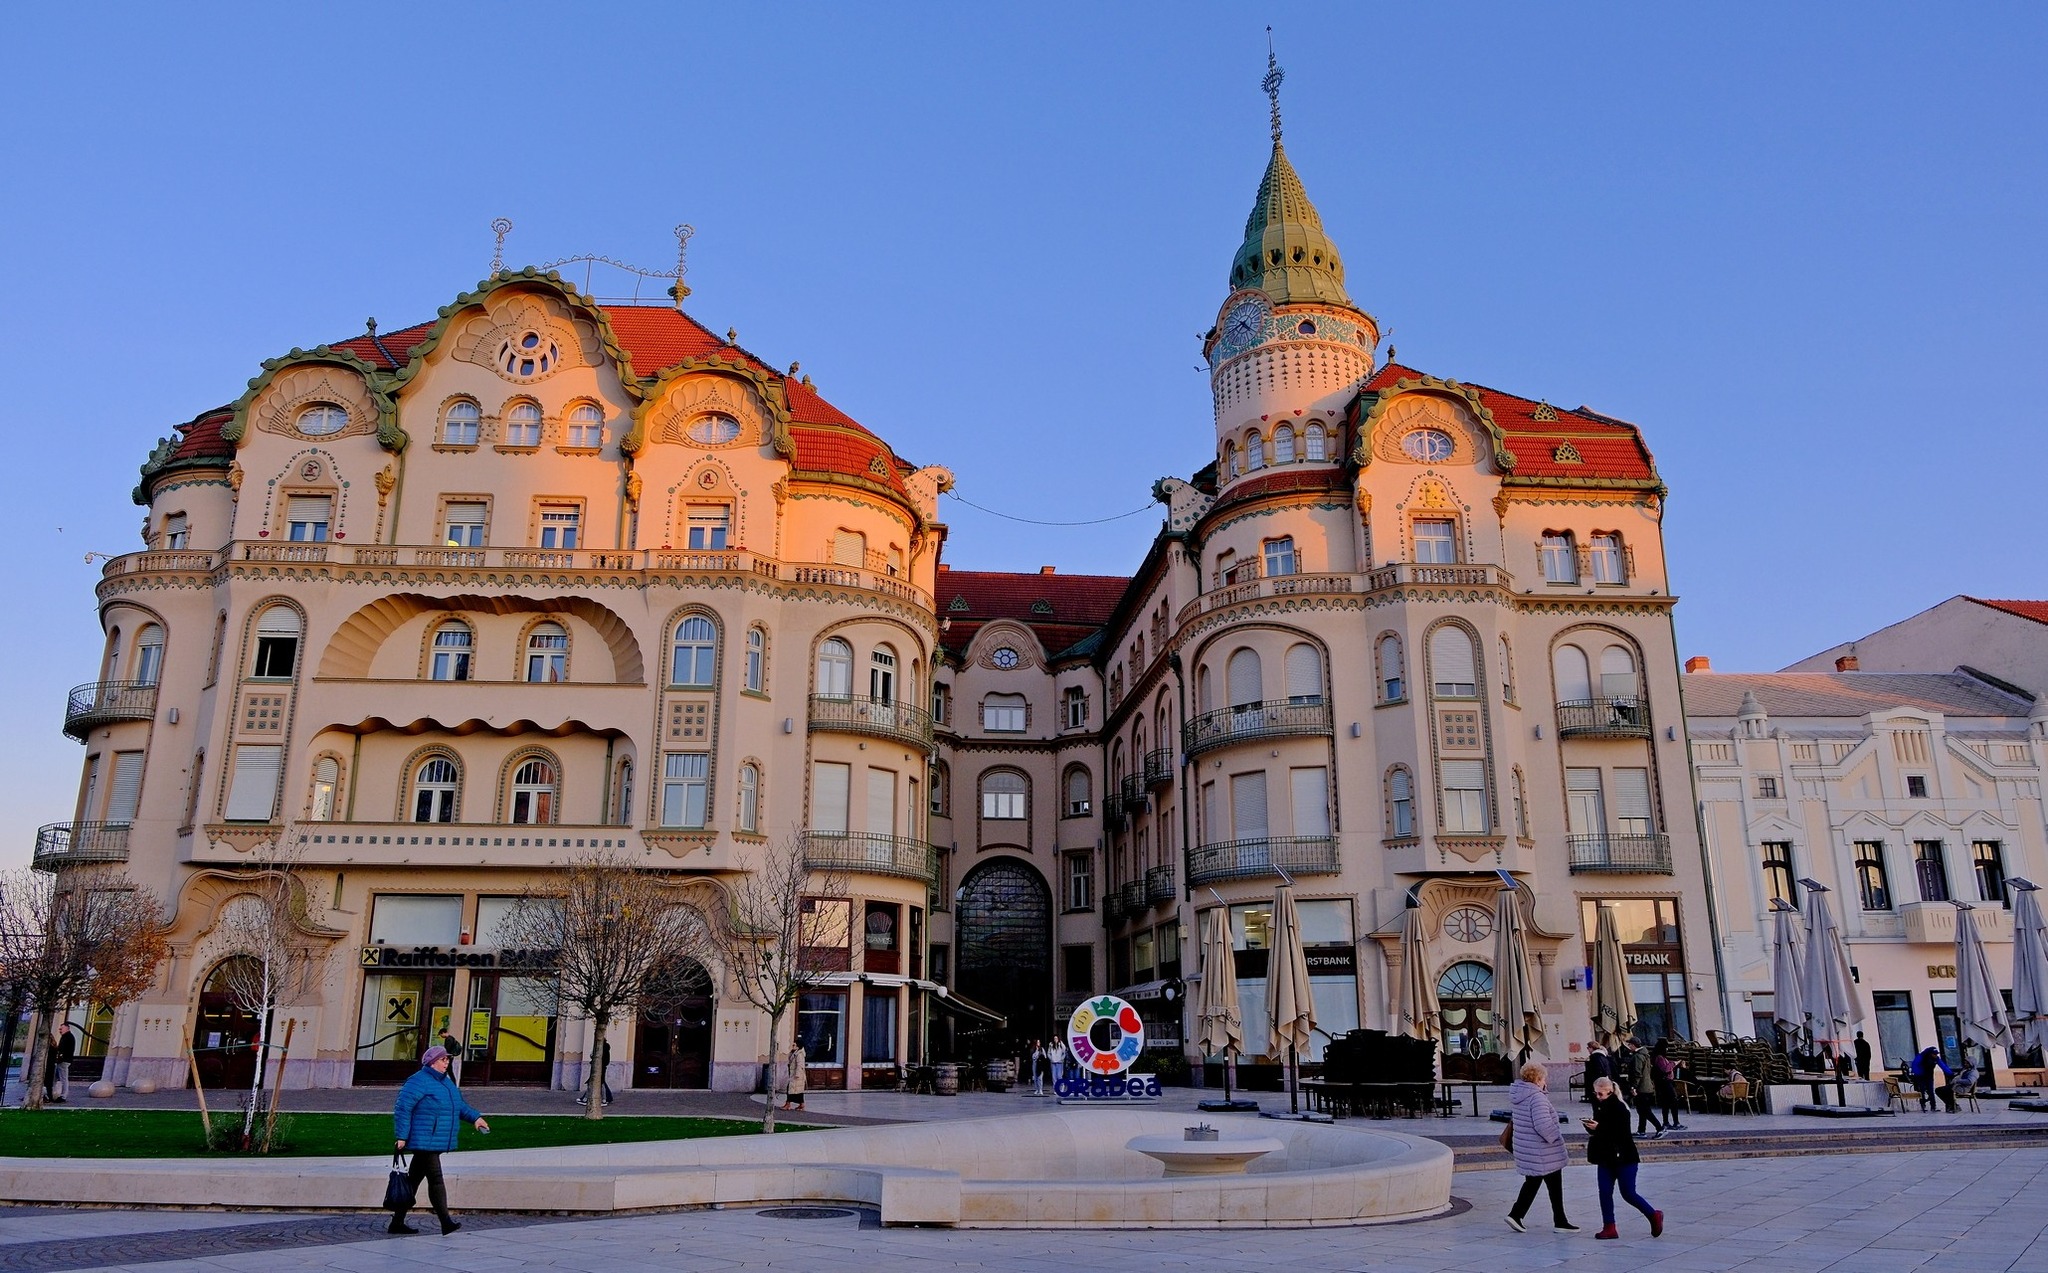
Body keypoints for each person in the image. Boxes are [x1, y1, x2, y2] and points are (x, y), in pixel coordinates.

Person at [390, 1045, 488, 1236]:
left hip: (433, 1139)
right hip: (424, 1139)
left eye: (448, 1059)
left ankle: (397, 1222)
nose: (447, 1062)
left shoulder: (446, 1083)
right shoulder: (418, 1081)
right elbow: (403, 1108)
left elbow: (458, 1106)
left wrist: (476, 1118)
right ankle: (446, 1222)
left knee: (413, 1181)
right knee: (436, 1179)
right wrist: (401, 1136)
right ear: (432, 1062)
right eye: (443, 1059)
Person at [1583, 1076, 1664, 1240]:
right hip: (1605, 1157)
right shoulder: (1600, 1106)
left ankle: (1653, 1214)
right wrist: (1591, 1127)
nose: (1598, 1096)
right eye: (1596, 1093)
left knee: (1628, 1193)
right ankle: (1609, 1226)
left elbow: (1621, 1134)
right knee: (1604, 1192)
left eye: (1601, 1094)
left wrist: (1599, 1127)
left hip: (1624, 1157)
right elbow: (1600, 1132)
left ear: (1610, 1091)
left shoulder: (1620, 1108)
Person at [1504, 1062, 1578, 1233]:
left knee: (1537, 1182)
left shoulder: (1520, 1094)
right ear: (1538, 1079)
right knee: (1549, 1185)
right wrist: (1556, 1136)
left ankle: (1522, 1215)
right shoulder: (1537, 1097)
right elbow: (1543, 1125)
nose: (1546, 1081)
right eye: (1544, 1078)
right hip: (1544, 1150)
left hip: (1528, 1147)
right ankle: (1521, 1215)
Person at [1621, 1040, 1663, 1138]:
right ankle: (1641, 1130)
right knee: (1642, 1110)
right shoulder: (1645, 1055)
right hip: (1646, 1086)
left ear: (1633, 1045)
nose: (1629, 1047)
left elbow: (1637, 1073)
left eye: (1629, 1045)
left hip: (1641, 1088)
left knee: (1645, 1110)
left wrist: (1633, 1087)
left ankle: (1659, 1128)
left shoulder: (1637, 1057)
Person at [1651, 1040, 1685, 1131]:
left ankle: (1666, 1122)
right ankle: (1675, 1122)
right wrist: (1674, 1063)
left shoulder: (1660, 1057)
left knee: (1665, 1103)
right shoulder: (1659, 1058)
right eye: (1666, 1047)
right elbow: (1665, 1069)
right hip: (1665, 1083)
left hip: (1663, 1083)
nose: (1667, 1049)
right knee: (1673, 1101)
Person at [1911, 1046, 1957, 1113]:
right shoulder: (1921, 1057)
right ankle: (1923, 1105)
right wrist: (1918, 1074)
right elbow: (1915, 1065)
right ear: (1930, 1053)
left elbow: (1943, 1066)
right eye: (1934, 1054)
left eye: (1936, 1054)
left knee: (1931, 1091)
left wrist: (1950, 1073)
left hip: (1929, 1076)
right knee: (1922, 1091)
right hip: (1920, 1076)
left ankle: (1933, 1106)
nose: (1936, 1055)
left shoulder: (1936, 1059)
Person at [576, 1037, 613, 1106]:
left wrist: (594, 1058)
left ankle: (586, 1099)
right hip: (600, 1067)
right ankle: (605, 1099)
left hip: (599, 1067)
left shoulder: (601, 1048)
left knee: (593, 1082)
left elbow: (598, 1058)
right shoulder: (604, 1048)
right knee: (600, 1083)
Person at [50, 1023, 77, 1103]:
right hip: (62, 1061)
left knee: (63, 1079)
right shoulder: (66, 1037)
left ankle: (63, 1096)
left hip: (64, 1061)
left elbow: (63, 1050)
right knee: (55, 1078)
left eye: (62, 1028)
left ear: (67, 1028)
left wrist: (60, 1056)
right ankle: (51, 1093)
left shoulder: (68, 1037)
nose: (60, 1030)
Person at [783, 1042, 806, 1110]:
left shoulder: (799, 1054)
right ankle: (801, 1104)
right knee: (797, 1091)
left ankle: (788, 1104)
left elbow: (800, 1065)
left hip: (796, 1076)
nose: (792, 1046)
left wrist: (797, 1074)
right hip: (793, 1074)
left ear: (798, 1046)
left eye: (794, 1045)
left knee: (791, 1089)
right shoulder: (795, 1053)